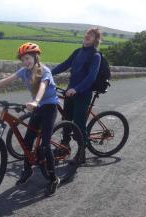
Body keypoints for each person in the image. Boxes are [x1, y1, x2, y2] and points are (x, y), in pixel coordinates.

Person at [0, 42, 60, 195]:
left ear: (35, 57)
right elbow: (6, 80)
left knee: (44, 146)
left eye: (28, 58)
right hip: (36, 107)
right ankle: (27, 170)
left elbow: (43, 86)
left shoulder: (45, 71)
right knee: (27, 142)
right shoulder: (24, 71)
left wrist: (36, 101)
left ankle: (53, 178)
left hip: (49, 106)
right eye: (23, 59)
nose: (26, 62)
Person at [51, 28, 102, 160]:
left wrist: (77, 89)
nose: (87, 36)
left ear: (96, 40)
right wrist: (47, 74)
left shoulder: (95, 56)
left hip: (82, 94)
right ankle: (65, 145)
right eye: (87, 34)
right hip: (70, 92)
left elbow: (91, 77)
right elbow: (64, 65)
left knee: (79, 124)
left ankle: (81, 152)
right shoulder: (77, 52)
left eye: (91, 35)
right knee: (66, 120)